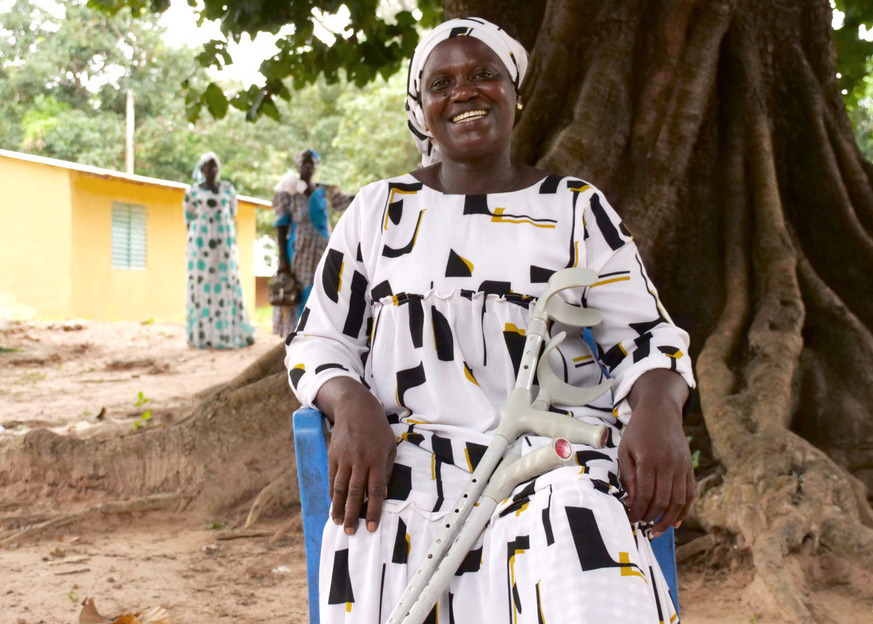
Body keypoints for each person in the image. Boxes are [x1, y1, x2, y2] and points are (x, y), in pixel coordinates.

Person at [284, 17, 694, 624]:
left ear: (514, 92)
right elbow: (318, 338)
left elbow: (646, 335)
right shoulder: (380, 211)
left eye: (483, 75)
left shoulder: (575, 208)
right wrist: (350, 404)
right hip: (407, 461)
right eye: (441, 83)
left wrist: (659, 411)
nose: (464, 92)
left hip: (552, 459)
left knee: (581, 539)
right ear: (421, 109)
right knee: (375, 535)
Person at [271, 149, 354, 337]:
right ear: (297, 165)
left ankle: (319, 333)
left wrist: (370, 194)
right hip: (298, 251)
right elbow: (281, 227)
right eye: (304, 162)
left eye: (312, 163)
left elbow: (348, 203)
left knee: (323, 288)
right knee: (299, 291)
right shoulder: (287, 193)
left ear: (317, 166)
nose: (307, 166)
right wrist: (282, 261)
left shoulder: (324, 191)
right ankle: (297, 334)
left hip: (323, 250)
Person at [183, 152, 255, 349]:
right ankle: (204, 336)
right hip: (200, 247)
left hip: (224, 246)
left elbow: (232, 213)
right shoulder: (192, 192)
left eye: (215, 166)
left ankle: (228, 334)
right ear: (202, 169)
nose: (211, 170)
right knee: (202, 286)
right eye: (207, 166)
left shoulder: (228, 190)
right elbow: (188, 219)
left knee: (226, 284)